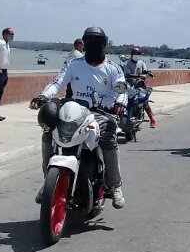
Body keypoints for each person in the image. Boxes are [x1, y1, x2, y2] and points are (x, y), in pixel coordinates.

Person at [30, 27, 128, 208]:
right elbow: (57, 82)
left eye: (97, 42)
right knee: (48, 131)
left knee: (108, 138)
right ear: (84, 44)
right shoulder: (74, 65)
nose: (93, 45)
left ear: (104, 44)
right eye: (89, 42)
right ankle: (48, 181)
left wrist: (120, 102)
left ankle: (114, 185)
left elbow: (121, 89)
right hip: (74, 110)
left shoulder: (113, 69)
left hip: (101, 113)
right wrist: (43, 96)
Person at [123, 46, 157, 128]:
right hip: (129, 86)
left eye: (137, 54)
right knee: (123, 102)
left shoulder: (141, 63)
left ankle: (152, 119)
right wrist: (139, 75)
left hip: (140, 86)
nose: (136, 55)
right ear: (131, 54)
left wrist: (149, 73)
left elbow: (145, 71)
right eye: (134, 54)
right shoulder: (127, 63)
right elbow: (127, 74)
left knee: (145, 102)